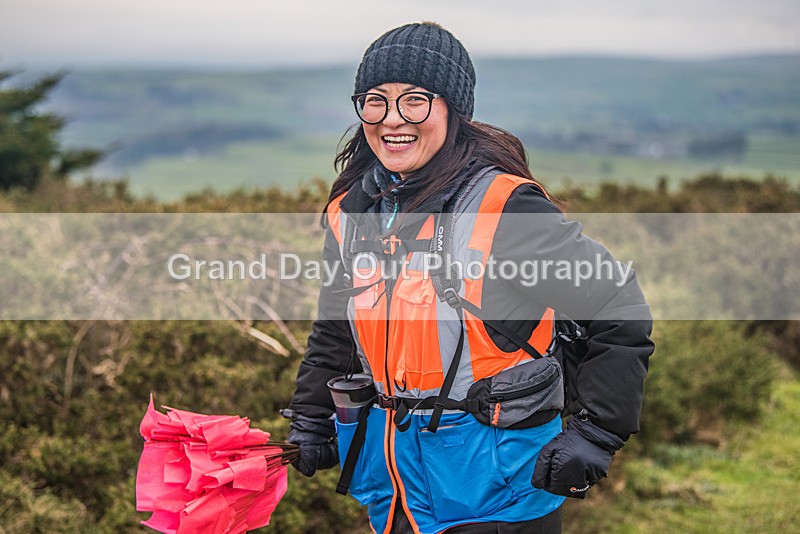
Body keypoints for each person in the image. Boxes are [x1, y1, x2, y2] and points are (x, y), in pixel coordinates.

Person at [286, 22, 654, 534]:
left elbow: (617, 304)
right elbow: (337, 329)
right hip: (396, 493)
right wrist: (311, 416)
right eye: (375, 100)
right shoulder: (355, 211)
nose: (392, 119)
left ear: (452, 109)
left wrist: (597, 433)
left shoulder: (505, 209)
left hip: (497, 496)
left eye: (415, 100)